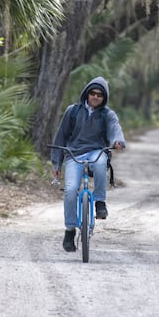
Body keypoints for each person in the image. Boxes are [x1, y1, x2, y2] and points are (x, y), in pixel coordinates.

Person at [50, 76, 126, 252]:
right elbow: (60, 136)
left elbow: (116, 130)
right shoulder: (73, 111)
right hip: (74, 153)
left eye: (100, 94)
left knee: (100, 164)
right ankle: (70, 230)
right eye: (92, 93)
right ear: (86, 93)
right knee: (70, 190)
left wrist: (118, 141)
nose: (95, 97)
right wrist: (56, 164)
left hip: (96, 151)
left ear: (104, 98)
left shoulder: (107, 114)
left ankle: (99, 202)